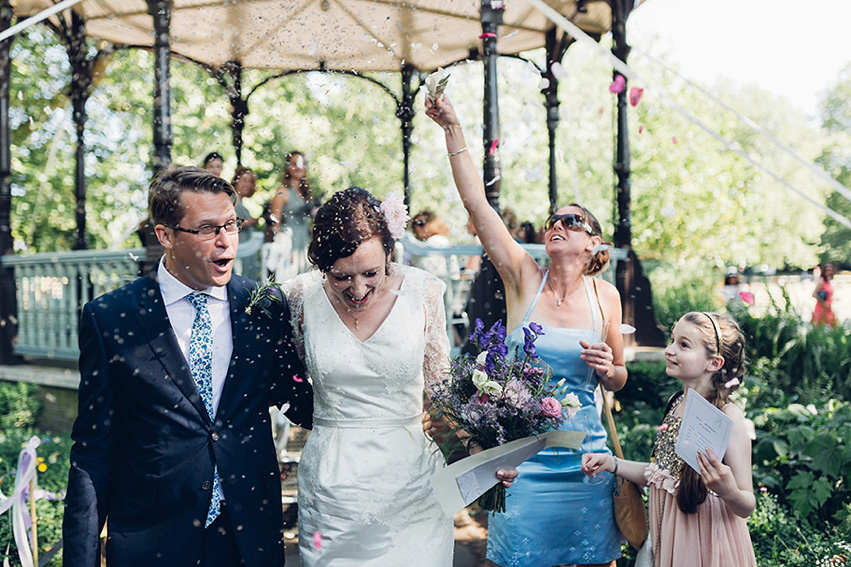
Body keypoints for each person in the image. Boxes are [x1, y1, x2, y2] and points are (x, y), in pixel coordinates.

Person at [62, 166, 313, 567]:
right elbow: (93, 449)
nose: (225, 241)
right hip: (153, 540)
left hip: (249, 539)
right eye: (207, 229)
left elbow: (298, 399)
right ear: (166, 236)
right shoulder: (111, 317)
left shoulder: (264, 306)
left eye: (231, 224)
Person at [426, 94, 627, 567]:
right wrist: (452, 128)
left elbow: (618, 378)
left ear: (592, 242)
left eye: (571, 221)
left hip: (586, 461)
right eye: (553, 219)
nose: (557, 224)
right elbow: (477, 204)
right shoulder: (523, 279)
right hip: (522, 464)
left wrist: (608, 369)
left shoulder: (606, 299)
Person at [283, 187, 515, 566]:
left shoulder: (421, 292)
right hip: (332, 489)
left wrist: (478, 453)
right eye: (342, 277)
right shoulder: (297, 299)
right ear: (322, 264)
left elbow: (441, 395)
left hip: (414, 488)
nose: (358, 289)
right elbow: (287, 383)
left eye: (371, 272)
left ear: (389, 252)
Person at [583, 312, 756, 567]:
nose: (669, 350)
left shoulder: (728, 417)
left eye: (683, 345)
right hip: (668, 535)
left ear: (714, 363)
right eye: (672, 340)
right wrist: (612, 464)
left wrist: (728, 491)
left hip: (705, 541)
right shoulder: (675, 404)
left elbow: (747, 505)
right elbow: (662, 475)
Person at [266, 151, 314, 278]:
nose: (298, 167)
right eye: (294, 164)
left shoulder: (305, 193)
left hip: (304, 243)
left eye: (302, 164)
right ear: (288, 167)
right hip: (290, 243)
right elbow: (276, 225)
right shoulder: (282, 192)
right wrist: (286, 249)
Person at [232, 166, 261, 279]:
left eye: (250, 181)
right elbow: (232, 224)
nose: (247, 184)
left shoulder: (240, 202)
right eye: (244, 180)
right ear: (236, 180)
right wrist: (251, 221)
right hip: (241, 250)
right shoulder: (232, 199)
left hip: (246, 249)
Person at [812, 262, 838, 326]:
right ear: (824, 271)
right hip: (821, 308)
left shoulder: (829, 281)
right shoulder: (821, 281)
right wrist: (823, 302)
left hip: (829, 308)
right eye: (828, 270)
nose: (829, 272)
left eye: (831, 270)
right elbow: (814, 294)